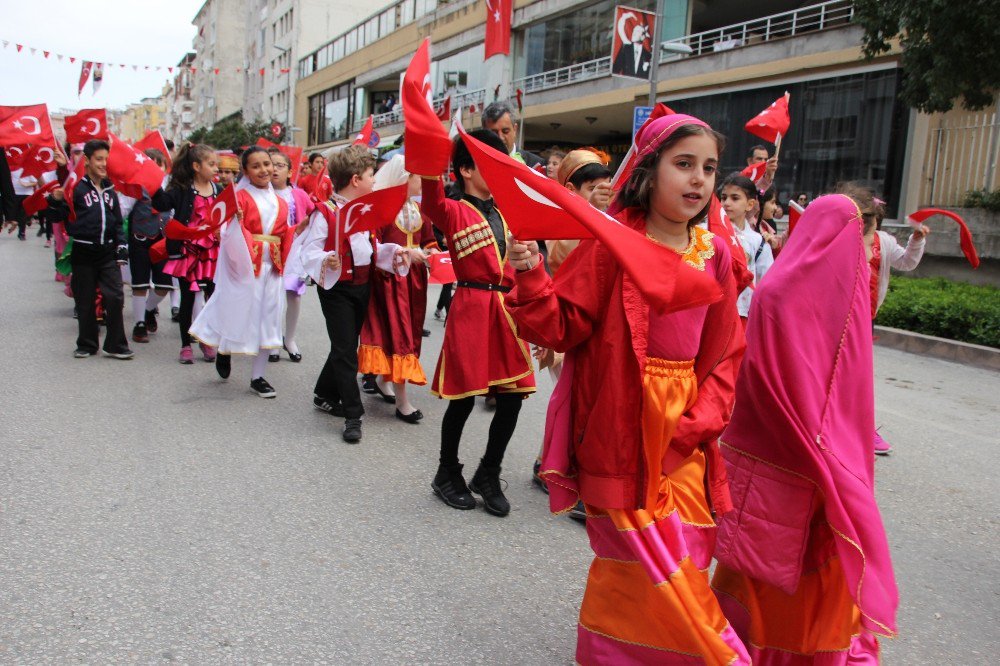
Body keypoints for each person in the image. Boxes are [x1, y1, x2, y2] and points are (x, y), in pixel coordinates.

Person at [505, 114, 748, 663]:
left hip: (687, 429)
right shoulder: (612, 245)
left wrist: (701, 420)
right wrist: (531, 275)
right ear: (648, 171)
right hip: (621, 423)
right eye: (683, 164)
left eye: (708, 168)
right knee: (638, 560)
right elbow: (558, 327)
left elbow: (729, 348)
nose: (699, 180)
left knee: (687, 551)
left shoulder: (717, 253)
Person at [711, 193, 899, 663]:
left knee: (760, 567)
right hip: (821, 455)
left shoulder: (779, 290)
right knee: (810, 565)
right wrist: (835, 453)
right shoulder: (840, 295)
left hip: (778, 449)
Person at [420, 130, 536, 517]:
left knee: (513, 395)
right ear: (466, 170)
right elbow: (431, 200)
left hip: (506, 308)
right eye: (489, 163)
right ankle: (446, 473)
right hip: (471, 305)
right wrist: (432, 159)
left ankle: (489, 471)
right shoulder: (452, 209)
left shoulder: (505, 212)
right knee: (464, 397)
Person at [300, 145, 410, 443]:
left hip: (364, 285)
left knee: (344, 344)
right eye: (371, 174)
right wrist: (326, 260)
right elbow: (308, 250)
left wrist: (396, 252)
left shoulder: (365, 210)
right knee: (346, 349)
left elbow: (370, 249)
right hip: (338, 289)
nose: (375, 180)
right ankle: (352, 414)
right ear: (355, 179)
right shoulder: (325, 213)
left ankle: (324, 392)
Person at [189, 146, 294, 397]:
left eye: (267, 164)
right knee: (239, 311)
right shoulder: (239, 198)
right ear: (245, 171)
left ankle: (258, 377)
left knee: (269, 319)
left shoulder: (281, 201)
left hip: (273, 269)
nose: (264, 170)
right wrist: (234, 222)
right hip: (248, 267)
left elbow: (284, 233)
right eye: (256, 166)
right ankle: (224, 349)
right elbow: (223, 232)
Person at [358, 155, 439, 422]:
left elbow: (429, 240)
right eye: (417, 177)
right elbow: (374, 247)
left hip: (414, 283)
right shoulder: (383, 210)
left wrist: (432, 254)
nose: (421, 182)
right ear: (405, 179)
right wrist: (402, 253)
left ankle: (384, 382)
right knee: (399, 334)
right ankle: (403, 402)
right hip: (389, 282)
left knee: (410, 332)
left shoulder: (420, 210)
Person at [47, 140, 133, 360]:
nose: (104, 164)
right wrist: (55, 202)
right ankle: (86, 343)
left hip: (107, 252)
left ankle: (115, 345)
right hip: (83, 251)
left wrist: (121, 246)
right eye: (99, 159)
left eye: (106, 159)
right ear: (87, 161)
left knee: (115, 297)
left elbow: (116, 222)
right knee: (84, 300)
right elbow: (58, 217)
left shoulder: (109, 190)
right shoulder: (76, 188)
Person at [862, 189, 928, 455]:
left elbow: (907, 262)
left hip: (866, 318)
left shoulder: (885, 242)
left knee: (860, 377)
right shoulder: (842, 237)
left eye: (872, 217)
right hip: (837, 316)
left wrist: (916, 240)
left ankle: (865, 430)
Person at [152, 144, 221, 364]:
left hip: (211, 251)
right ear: (196, 166)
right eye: (211, 164)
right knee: (188, 299)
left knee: (213, 298)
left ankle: (206, 339)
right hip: (187, 251)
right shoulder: (181, 189)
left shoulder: (218, 189)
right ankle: (185, 344)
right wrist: (153, 183)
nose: (215, 168)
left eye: (215, 164)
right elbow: (161, 203)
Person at [119, 148, 174, 343]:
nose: (154, 168)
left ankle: (149, 309)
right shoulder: (136, 186)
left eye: (158, 164)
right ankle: (139, 323)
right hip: (140, 239)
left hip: (163, 241)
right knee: (140, 283)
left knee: (164, 285)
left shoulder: (170, 186)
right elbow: (122, 210)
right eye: (149, 164)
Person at [268, 147, 315, 362]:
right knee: (272, 297)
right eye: (271, 164)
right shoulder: (262, 194)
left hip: (294, 253)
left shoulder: (298, 194)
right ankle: (273, 339)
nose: (274, 169)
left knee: (294, 295)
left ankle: (290, 339)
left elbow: (313, 217)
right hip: (269, 252)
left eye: (280, 165)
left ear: (289, 171)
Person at [719, 173, 773, 326]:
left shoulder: (758, 242)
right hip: (713, 309)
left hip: (743, 312)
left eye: (735, 198)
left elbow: (767, 281)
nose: (727, 203)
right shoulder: (707, 232)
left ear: (750, 204)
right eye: (724, 198)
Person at [480, 102, 545, 169]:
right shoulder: (473, 163)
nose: (500, 138)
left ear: (515, 129)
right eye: (494, 133)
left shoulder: (536, 164)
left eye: (505, 131)